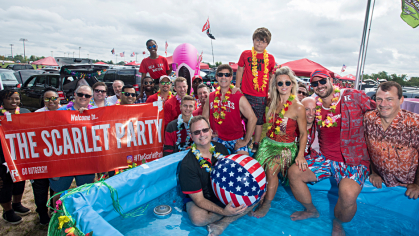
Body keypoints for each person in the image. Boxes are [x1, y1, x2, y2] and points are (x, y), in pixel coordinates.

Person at [287, 69, 376, 235]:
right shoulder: (315, 105)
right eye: (315, 83)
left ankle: (338, 222)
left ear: (330, 80)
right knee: (294, 173)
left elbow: (377, 114)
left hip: (354, 161)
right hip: (326, 159)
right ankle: (311, 210)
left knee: (348, 194)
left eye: (322, 81)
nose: (319, 86)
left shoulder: (352, 96)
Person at [179, 116, 256, 236]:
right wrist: (223, 211)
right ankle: (232, 214)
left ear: (210, 131)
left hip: (221, 192)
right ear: (191, 136)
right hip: (201, 196)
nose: (202, 134)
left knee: (254, 198)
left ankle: (224, 223)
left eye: (205, 130)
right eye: (197, 132)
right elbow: (199, 199)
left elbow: (232, 177)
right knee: (198, 219)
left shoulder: (220, 148)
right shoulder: (187, 164)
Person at [251, 66, 307, 218]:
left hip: (285, 148)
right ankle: (257, 197)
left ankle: (267, 204)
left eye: (287, 83)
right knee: (255, 170)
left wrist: (300, 155)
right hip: (267, 144)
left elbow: (303, 134)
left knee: (271, 170)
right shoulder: (271, 102)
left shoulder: (298, 107)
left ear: (292, 85)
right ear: (275, 85)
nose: (283, 86)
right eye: (280, 83)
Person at [364, 81, 419, 199]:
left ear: (401, 100)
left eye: (389, 99)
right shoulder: (368, 119)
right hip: (380, 184)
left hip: (407, 190)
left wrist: (417, 184)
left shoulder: (415, 124)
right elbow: (365, 147)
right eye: (379, 99)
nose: (383, 104)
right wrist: (374, 173)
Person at [51, 86, 97, 204]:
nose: (83, 97)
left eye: (87, 96)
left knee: (86, 190)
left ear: (91, 98)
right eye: (80, 94)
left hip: (86, 160)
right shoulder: (61, 112)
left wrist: (87, 116)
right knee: (58, 191)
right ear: (75, 95)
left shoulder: (95, 113)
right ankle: (55, 215)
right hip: (64, 159)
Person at [234, 27, 276, 153]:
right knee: (243, 118)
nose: (259, 43)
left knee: (258, 120)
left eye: (263, 41)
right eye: (257, 40)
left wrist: (270, 91)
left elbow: (272, 75)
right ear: (253, 40)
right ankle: (245, 138)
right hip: (245, 92)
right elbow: (240, 70)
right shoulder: (245, 54)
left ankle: (256, 143)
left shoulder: (270, 58)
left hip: (261, 95)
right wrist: (237, 86)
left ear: (267, 44)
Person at [203, 64, 257, 156]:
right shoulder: (211, 96)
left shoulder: (238, 96)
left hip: (236, 140)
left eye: (227, 75)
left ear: (231, 77)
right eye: (220, 74)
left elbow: (253, 118)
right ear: (216, 77)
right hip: (218, 140)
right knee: (215, 164)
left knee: (242, 164)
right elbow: (204, 117)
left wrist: (246, 141)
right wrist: (209, 132)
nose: (223, 77)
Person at [0, 90, 32, 225]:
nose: (14, 102)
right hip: (2, 157)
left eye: (17, 99)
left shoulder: (25, 112)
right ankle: (7, 212)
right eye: (10, 99)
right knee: (5, 184)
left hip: (20, 155)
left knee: (20, 180)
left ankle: (17, 204)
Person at [32, 88, 62, 225]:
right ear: (43, 100)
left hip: (59, 158)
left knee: (56, 187)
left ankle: (53, 209)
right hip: (41, 158)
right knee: (40, 187)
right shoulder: (36, 115)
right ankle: (42, 212)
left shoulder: (66, 112)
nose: (51, 101)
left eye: (54, 98)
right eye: (47, 98)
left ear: (59, 99)